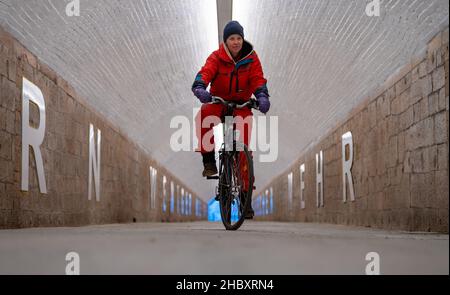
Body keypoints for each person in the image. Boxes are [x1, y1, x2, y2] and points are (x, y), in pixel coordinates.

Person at [192, 21, 270, 218]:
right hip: (219, 101)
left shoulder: (251, 58)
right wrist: (200, 87)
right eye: (231, 38)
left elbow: (258, 78)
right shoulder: (216, 57)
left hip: (242, 105)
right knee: (203, 115)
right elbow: (206, 72)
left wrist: (262, 96)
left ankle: (245, 197)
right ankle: (209, 159)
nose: (236, 42)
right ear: (225, 41)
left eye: (238, 38)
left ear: (242, 39)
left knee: (243, 150)